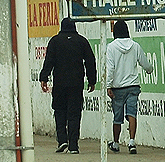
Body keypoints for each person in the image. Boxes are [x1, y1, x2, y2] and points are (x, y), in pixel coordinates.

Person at [39, 17, 97, 154]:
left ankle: (62, 140)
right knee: (74, 113)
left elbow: (49, 60)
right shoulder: (82, 41)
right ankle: (73, 145)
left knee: (59, 111)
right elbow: (90, 61)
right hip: (76, 84)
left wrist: (44, 78)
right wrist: (92, 80)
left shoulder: (55, 41)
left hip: (59, 83)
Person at [106, 20, 153, 154]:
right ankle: (132, 142)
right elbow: (145, 63)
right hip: (133, 86)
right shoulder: (135, 46)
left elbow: (110, 69)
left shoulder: (111, 47)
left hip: (118, 87)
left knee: (117, 116)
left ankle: (115, 143)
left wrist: (108, 85)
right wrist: (150, 69)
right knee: (132, 113)